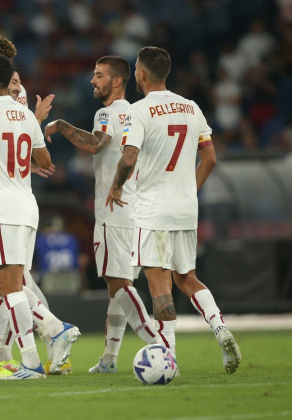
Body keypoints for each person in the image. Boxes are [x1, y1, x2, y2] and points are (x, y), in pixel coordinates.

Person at [106, 46, 242, 374]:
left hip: (154, 210)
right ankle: (221, 328)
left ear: (141, 73)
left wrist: (117, 185)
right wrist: (188, 190)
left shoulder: (138, 112)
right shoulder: (191, 107)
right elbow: (210, 158)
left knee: (159, 287)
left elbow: (128, 157)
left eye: (137, 69)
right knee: (188, 278)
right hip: (185, 209)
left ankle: (170, 361)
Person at [0, 53, 78, 380]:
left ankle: (31, 361)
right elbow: (43, 158)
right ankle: (39, 338)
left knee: (8, 285)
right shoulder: (26, 116)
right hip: (27, 206)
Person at [44, 56, 158, 373]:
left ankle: (157, 345)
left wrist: (62, 126)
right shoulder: (138, 114)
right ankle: (108, 359)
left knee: (119, 285)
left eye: (99, 75)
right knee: (116, 291)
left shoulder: (107, 113)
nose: (93, 81)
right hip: (137, 209)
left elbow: (97, 143)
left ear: (117, 81)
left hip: (114, 212)